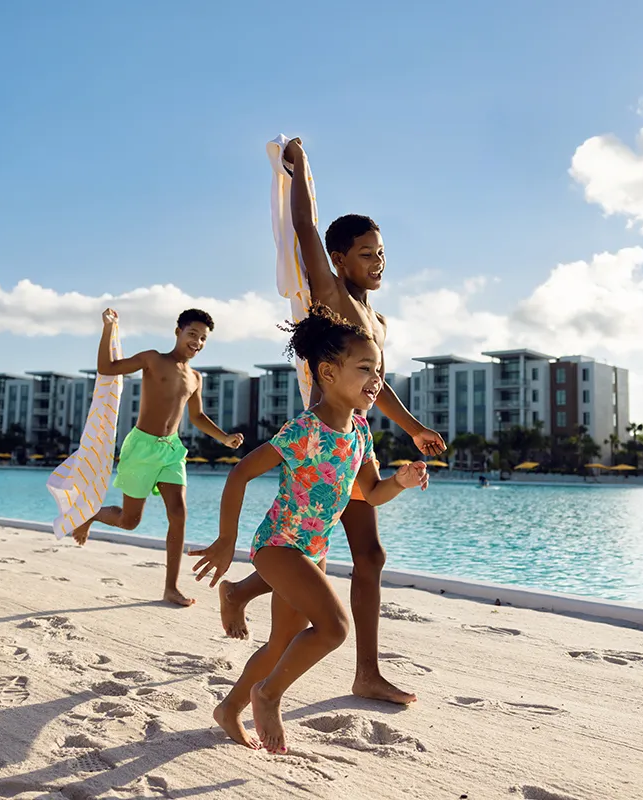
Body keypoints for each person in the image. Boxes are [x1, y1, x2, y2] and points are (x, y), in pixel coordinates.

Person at [218, 137, 446, 704]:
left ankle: (256, 597)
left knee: (360, 552)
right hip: (325, 440)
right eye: (367, 253)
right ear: (341, 260)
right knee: (336, 550)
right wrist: (298, 171)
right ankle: (350, 663)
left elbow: (376, 384)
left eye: (382, 252)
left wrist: (413, 427)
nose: (378, 261)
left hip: (355, 438)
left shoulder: (376, 320)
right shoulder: (331, 296)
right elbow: (304, 227)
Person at [190, 304, 428, 753]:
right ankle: (268, 694)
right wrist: (226, 540)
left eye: (378, 369)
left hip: (312, 551)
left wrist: (400, 480)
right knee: (335, 628)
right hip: (278, 546)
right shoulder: (303, 430)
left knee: (281, 643)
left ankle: (229, 708)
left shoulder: (360, 433)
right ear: (328, 372)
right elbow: (240, 472)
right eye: (364, 368)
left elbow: (371, 494)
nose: (376, 380)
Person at [71, 307, 244, 607]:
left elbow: (198, 416)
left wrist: (224, 437)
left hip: (172, 451)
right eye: (193, 335)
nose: (197, 343)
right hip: (141, 448)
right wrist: (108, 329)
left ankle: (171, 588)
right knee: (129, 521)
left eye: (203, 339)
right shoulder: (153, 359)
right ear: (178, 332)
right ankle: (92, 514)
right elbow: (107, 367)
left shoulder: (196, 378)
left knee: (178, 515)